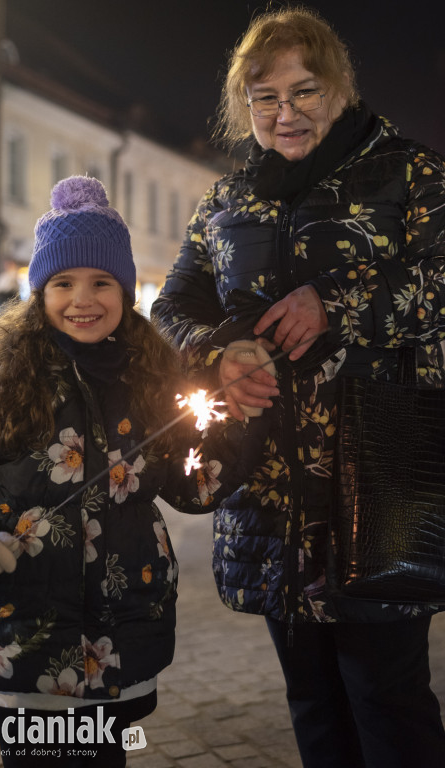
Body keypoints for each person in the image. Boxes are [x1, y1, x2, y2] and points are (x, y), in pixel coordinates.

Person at [151, 7, 445, 768]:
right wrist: (220, 353)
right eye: (265, 98)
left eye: (304, 91)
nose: (286, 113)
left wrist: (336, 303)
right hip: (270, 476)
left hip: (381, 468)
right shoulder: (227, 203)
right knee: (311, 697)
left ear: (339, 88)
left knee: (389, 695)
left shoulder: (411, 174)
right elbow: (172, 306)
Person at [0, 176, 266, 767]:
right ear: (39, 293)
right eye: (63, 283)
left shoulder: (150, 382)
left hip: (120, 636)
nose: (82, 299)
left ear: (125, 290)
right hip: (21, 639)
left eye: (101, 282)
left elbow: (193, 485)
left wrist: (235, 422)